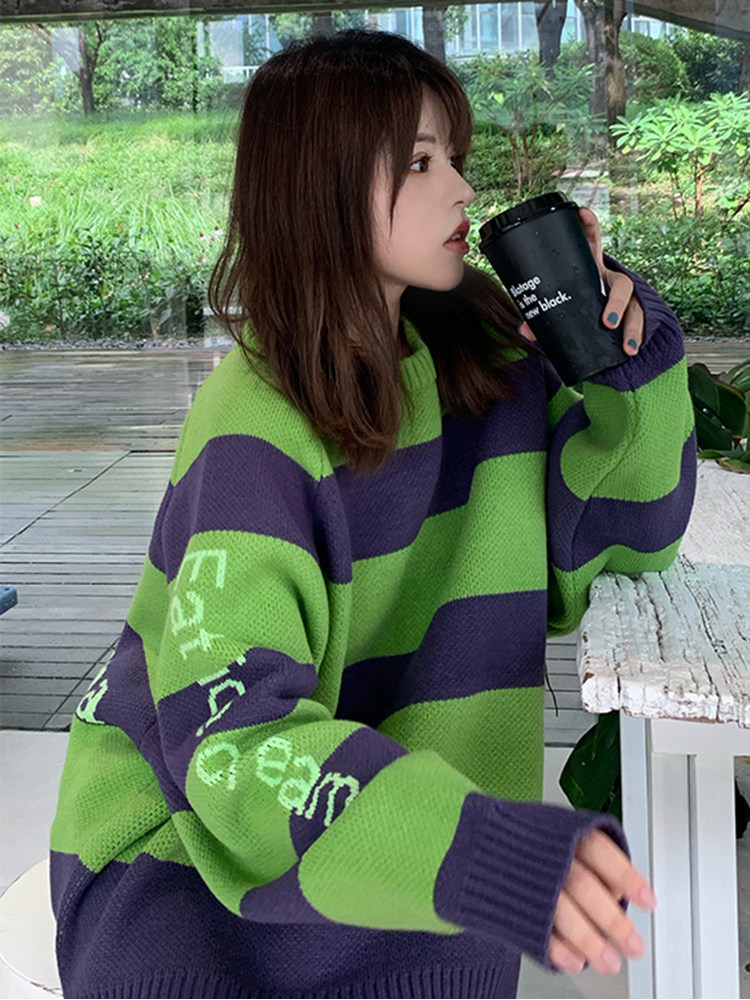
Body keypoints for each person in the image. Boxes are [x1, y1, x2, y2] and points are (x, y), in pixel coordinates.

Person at [49, 28, 696, 1000]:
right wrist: (479, 848)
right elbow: (233, 744)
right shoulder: (255, 422)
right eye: (421, 163)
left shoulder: (488, 367)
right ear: (321, 188)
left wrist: (619, 362)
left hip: (412, 870)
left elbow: (623, 550)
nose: (464, 190)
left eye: (455, 158)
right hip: (189, 864)